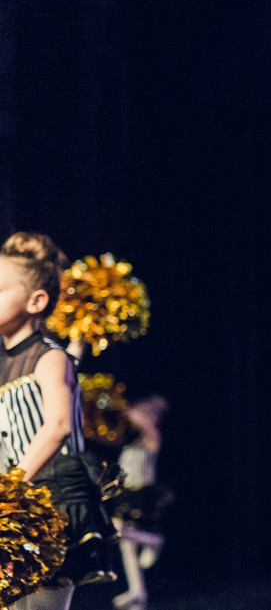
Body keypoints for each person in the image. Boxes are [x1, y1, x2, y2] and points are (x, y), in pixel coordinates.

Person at [0, 232, 114, 610]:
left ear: (36, 301)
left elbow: (58, 426)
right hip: (16, 498)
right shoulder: (3, 365)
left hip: (51, 496)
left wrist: (13, 485)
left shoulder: (50, 358)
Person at [111, 395, 172, 610]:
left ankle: (155, 541)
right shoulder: (130, 439)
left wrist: (124, 406)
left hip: (142, 493)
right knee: (127, 544)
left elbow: (138, 417)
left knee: (118, 531)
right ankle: (137, 591)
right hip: (126, 491)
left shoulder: (152, 435)